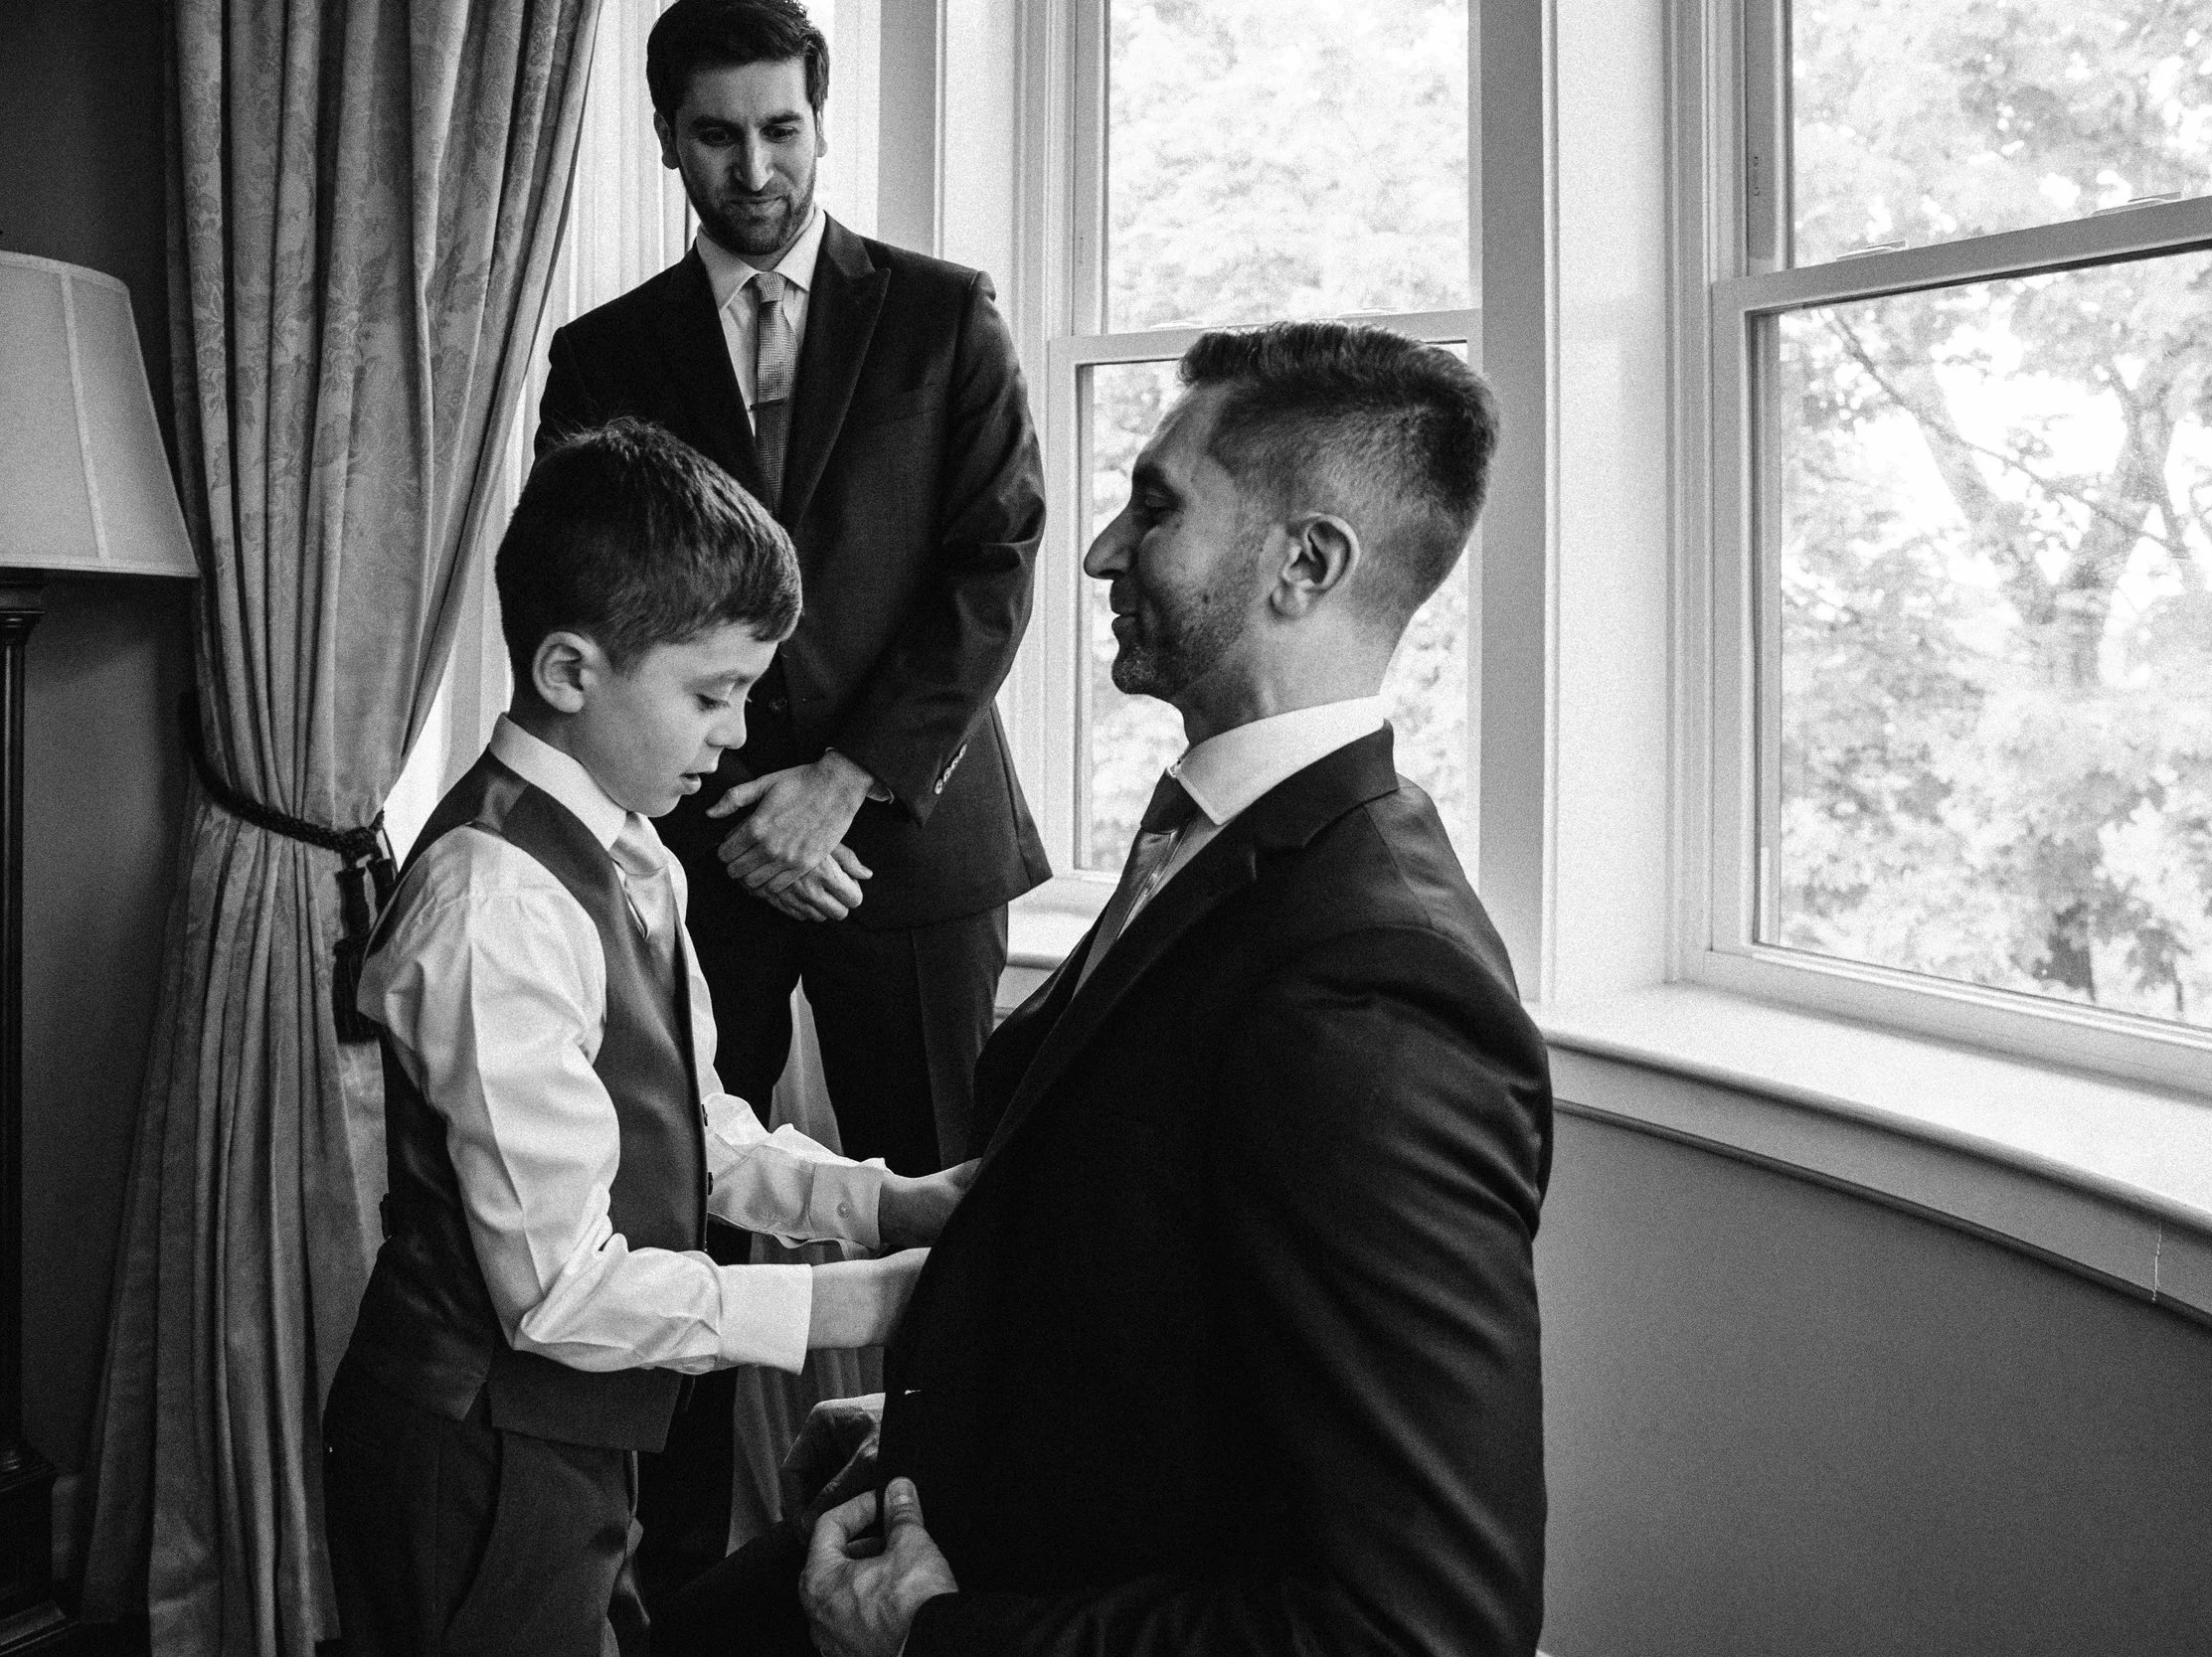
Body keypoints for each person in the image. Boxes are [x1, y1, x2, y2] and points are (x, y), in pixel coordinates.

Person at [664, 322, 1556, 1657]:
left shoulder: (1374, 991)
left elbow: (1415, 1623)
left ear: (1305, 562)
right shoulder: (1222, 839)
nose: (1098, 552)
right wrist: (934, 1423)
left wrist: (935, 1630)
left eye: (1157, 504)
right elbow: (1138, 1270)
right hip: (966, 1503)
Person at [537, 0, 1048, 1582]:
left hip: (915, 835)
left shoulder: (944, 315)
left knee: (946, 1221)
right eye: (714, 133)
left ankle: (947, 1564)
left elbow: (995, 563)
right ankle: (681, 1577)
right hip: (700, 849)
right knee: (674, 1197)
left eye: (780, 128)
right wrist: (745, 812)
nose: (752, 165)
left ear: (822, 123)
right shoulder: (602, 354)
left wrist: (843, 779)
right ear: (667, 136)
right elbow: (605, 602)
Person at [320, 420, 971, 1657]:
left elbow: (694, 1121)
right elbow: (563, 1288)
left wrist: (892, 1204)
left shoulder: (634, 849)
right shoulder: (494, 902)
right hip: (473, 1440)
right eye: (711, 692)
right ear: (569, 671)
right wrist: (868, 1301)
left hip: (579, 1423)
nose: (736, 733)